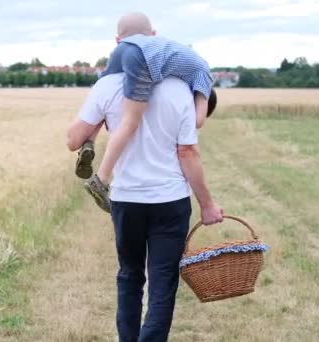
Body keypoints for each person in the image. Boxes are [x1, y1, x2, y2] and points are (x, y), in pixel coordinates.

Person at [66, 72, 223, 341]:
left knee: (130, 275)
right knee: (162, 283)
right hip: (170, 201)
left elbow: (72, 140)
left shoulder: (109, 83)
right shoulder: (180, 89)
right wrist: (206, 204)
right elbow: (187, 152)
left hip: (127, 198)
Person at [76, 12, 214, 213]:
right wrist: (187, 110)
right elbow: (199, 120)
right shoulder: (204, 74)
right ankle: (101, 179)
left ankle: (88, 143)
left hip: (125, 51)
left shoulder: (152, 46)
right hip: (143, 57)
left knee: (102, 99)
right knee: (130, 122)